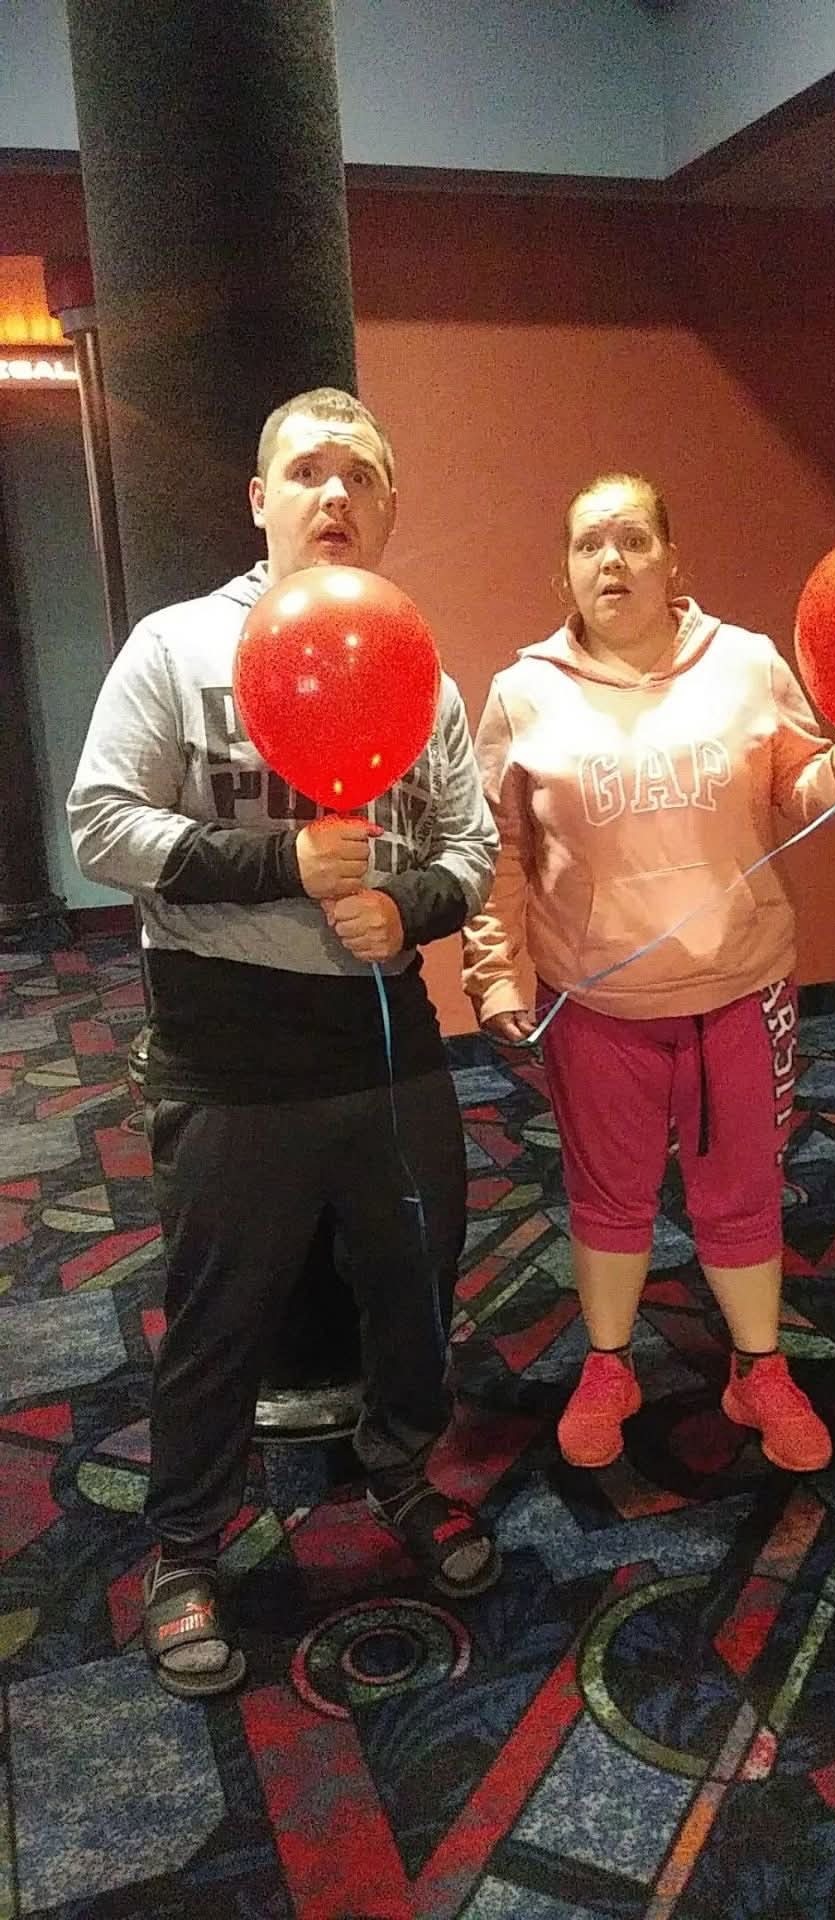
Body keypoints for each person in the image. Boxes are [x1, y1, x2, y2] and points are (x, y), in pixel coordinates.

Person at [68, 388, 501, 1699]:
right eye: (306, 472)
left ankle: (402, 1468)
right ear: (261, 499)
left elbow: (471, 847)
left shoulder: (420, 668)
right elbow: (100, 824)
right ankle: (187, 1551)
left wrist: (408, 905)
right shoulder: (176, 647)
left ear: (388, 506)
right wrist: (282, 863)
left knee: (418, 1286)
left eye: (359, 475)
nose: (334, 496)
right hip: (232, 1050)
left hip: (388, 1044)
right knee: (221, 1316)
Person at [462, 472, 835, 1476]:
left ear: (671, 558)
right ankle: (609, 1367)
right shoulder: (524, 692)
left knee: (742, 1190)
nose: (611, 560)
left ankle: (759, 1369)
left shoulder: (745, 662)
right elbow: (499, 852)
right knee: (609, 1193)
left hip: (740, 988)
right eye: (589, 544)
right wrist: (496, 975)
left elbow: (795, 780)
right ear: (565, 571)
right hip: (594, 998)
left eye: (633, 540)